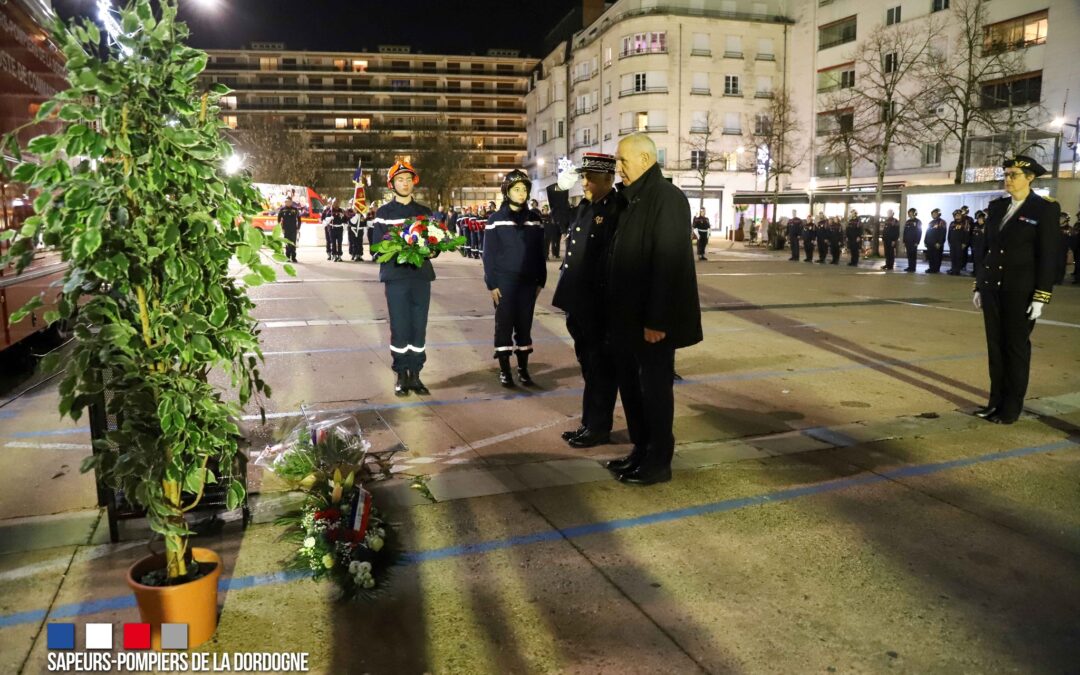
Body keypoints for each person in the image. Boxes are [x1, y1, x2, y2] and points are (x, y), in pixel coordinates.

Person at [604, 133, 702, 486]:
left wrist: (657, 319)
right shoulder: (634, 198)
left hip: (653, 323)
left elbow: (668, 262)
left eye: (622, 161)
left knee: (656, 392)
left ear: (645, 160)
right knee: (634, 388)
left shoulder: (666, 198)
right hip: (630, 319)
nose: (618, 169)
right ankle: (641, 449)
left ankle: (659, 460)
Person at [972, 155, 1060, 425]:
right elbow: (988, 249)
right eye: (1006, 174)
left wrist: (1041, 296)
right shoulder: (997, 207)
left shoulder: (1043, 209)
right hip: (993, 288)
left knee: (1015, 349)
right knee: (995, 348)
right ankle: (995, 402)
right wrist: (979, 284)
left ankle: (1011, 407)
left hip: (1019, 290)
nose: (1008, 180)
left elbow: (1048, 256)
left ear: (1030, 178)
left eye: (1014, 175)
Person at [552, 153, 622, 449]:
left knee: (600, 369)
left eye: (589, 178)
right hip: (578, 303)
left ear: (609, 178)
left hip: (598, 305)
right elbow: (560, 218)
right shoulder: (586, 206)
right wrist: (559, 188)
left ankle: (598, 427)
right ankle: (588, 423)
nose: (584, 183)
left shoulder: (616, 208)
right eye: (582, 178)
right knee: (588, 366)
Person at [372, 160, 438, 397]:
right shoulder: (383, 214)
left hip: (421, 276)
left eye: (409, 179)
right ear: (392, 184)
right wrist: (398, 249)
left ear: (414, 183)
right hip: (396, 277)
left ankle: (416, 374)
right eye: (400, 180)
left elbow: (434, 241)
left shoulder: (424, 212)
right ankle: (401, 374)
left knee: (419, 325)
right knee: (400, 326)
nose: (405, 183)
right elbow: (376, 248)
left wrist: (433, 249)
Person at [484, 170, 547, 387]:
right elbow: (489, 255)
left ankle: (522, 369)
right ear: (507, 192)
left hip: (528, 283)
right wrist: (492, 284)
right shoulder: (495, 220)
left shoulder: (535, 219)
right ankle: (505, 371)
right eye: (516, 189)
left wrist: (541, 281)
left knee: (524, 325)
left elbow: (541, 253)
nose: (521, 194)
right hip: (504, 284)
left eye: (524, 190)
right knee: (504, 325)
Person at [276, 196, 301, 263]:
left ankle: (293, 257)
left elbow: (299, 219)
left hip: (293, 229)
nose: (287, 203)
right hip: (286, 229)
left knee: (293, 243)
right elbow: (278, 219)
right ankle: (287, 257)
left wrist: (298, 228)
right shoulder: (282, 210)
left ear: (291, 202)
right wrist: (281, 228)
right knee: (287, 243)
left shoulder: (295, 209)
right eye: (286, 202)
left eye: (288, 201)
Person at [946, 209, 968, 275]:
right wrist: (949, 241)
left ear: (961, 215)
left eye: (959, 215)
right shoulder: (952, 223)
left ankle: (957, 271)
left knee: (959, 257)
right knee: (953, 257)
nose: (957, 216)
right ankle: (953, 269)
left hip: (960, 243)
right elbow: (949, 233)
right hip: (952, 243)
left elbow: (967, 234)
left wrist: (965, 243)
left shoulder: (965, 223)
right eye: (956, 215)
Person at [924, 209, 946, 273]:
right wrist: (925, 241)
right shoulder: (931, 222)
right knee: (930, 256)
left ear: (938, 214)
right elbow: (927, 232)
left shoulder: (942, 222)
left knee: (937, 256)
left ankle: (936, 269)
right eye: (932, 214)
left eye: (935, 213)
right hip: (930, 243)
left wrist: (940, 242)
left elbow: (943, 233)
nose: (933, 215)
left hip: (937, 243)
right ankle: (931, 268)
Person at [902, 208, 921, 272]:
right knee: (909, 254)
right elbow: (905, 232)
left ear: (914, 213)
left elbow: (919, 232)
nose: (910, 213)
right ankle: (910, 267)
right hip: (908, 241)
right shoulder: (908, 222)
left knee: (913, 255)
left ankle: (913, 268)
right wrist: (904, 241)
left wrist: (917, 242)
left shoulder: (918, 221)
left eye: (911, 212)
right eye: (909, 212)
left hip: (914, 242)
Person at [970, 210, 987, 279]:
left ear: (984, 219)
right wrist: (971, 244)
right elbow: (971, 235)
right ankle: (975, 272)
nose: (979, 220)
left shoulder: (986, 226)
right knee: (975, 260)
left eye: (981, 219)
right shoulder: (974, 225)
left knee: (982, 260)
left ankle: (981, 273)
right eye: (978, 219)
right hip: (975, 246)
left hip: (983, 246)